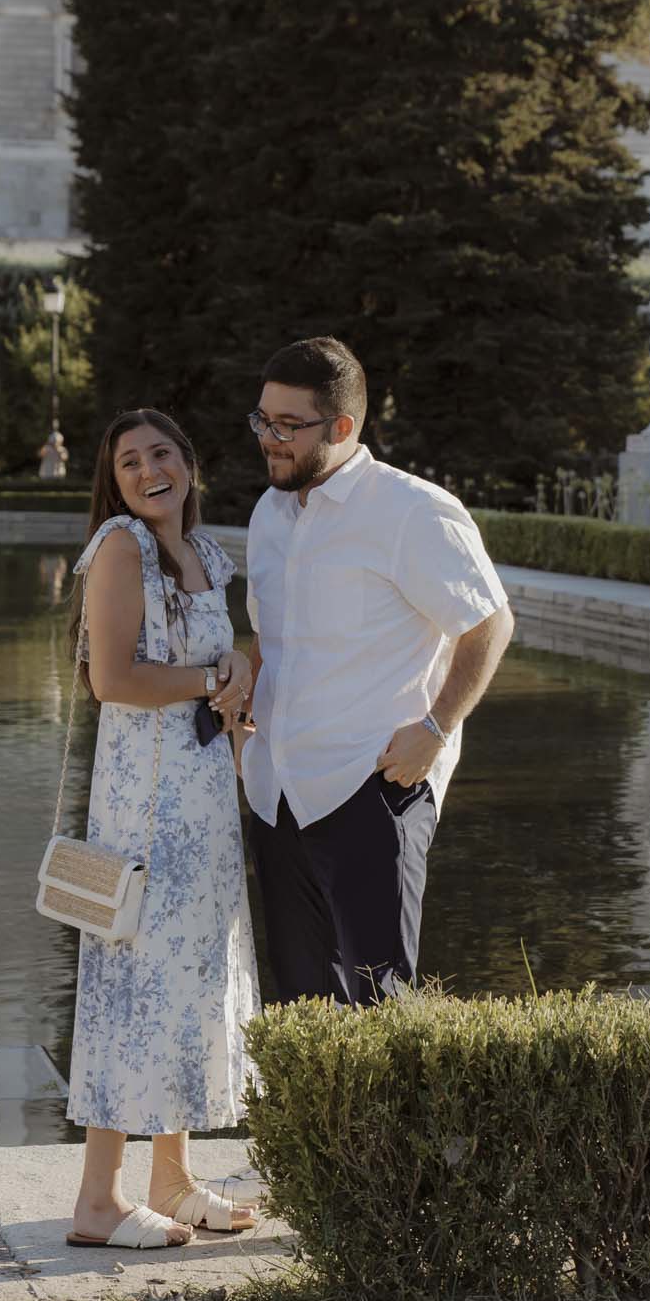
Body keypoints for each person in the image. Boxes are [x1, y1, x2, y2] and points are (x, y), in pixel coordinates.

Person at [240, 338, 515, 1008]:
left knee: (382, 1005)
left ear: (341, 428)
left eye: (288, 425)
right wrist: (244, 718)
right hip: (277, 791)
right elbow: (273, 639)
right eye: (263, 420)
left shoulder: (412, 510)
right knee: (301, 1012)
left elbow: (488, 622)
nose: (269, 439)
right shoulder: (268, 514)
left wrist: (436, 728)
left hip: (373, 786)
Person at [64, 408, 260, 1252]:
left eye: (162, 454)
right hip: (142, 808)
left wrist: (237, 667)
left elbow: (217, 662)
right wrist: (212, 677)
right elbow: (112, 679)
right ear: (115, 481)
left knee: (187, 980)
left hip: (203, 803)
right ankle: (97, 1201)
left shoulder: (207, 554)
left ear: (189, 462)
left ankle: (172, 1179)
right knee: (130, 984)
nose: (150, 472)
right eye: (130, 461)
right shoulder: (119, 547)